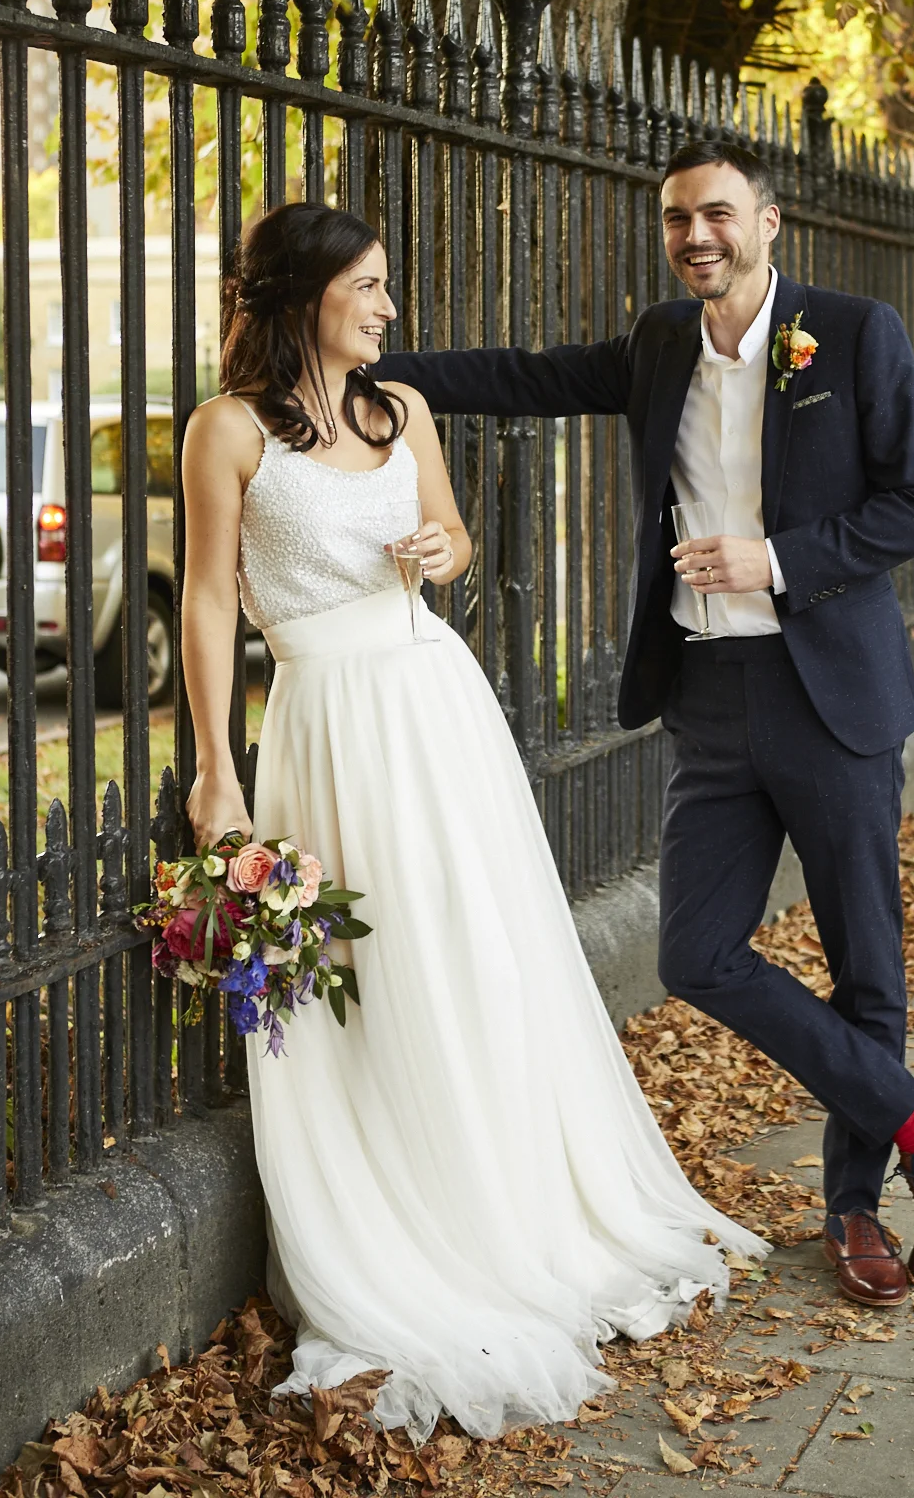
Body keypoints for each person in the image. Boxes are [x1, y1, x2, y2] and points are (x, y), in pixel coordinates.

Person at [179, 200, 766, 1445]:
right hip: (328, 719)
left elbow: (441, 541)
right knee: (375, 967)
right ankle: (408, 1214)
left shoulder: (403, 412)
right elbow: (208, 596)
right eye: (370, 286)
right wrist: (214, 771)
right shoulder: (227, 431)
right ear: (303, 293)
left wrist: (441, 547)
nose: (389, 307)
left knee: (471, 950)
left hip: (434, 705)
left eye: (389, 287)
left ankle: (513, 1202)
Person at [377, 137, 914, 1310]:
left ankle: (852, 1207)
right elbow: (528, 376)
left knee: (867, 964)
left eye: (715, 214)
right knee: (693, 953)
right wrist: (361, 365)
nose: (693, 235)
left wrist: (777, 559)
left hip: (831, 694)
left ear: (768, 221)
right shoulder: (662, 342)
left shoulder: (854, 333)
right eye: (674, 220)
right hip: (707, 693)